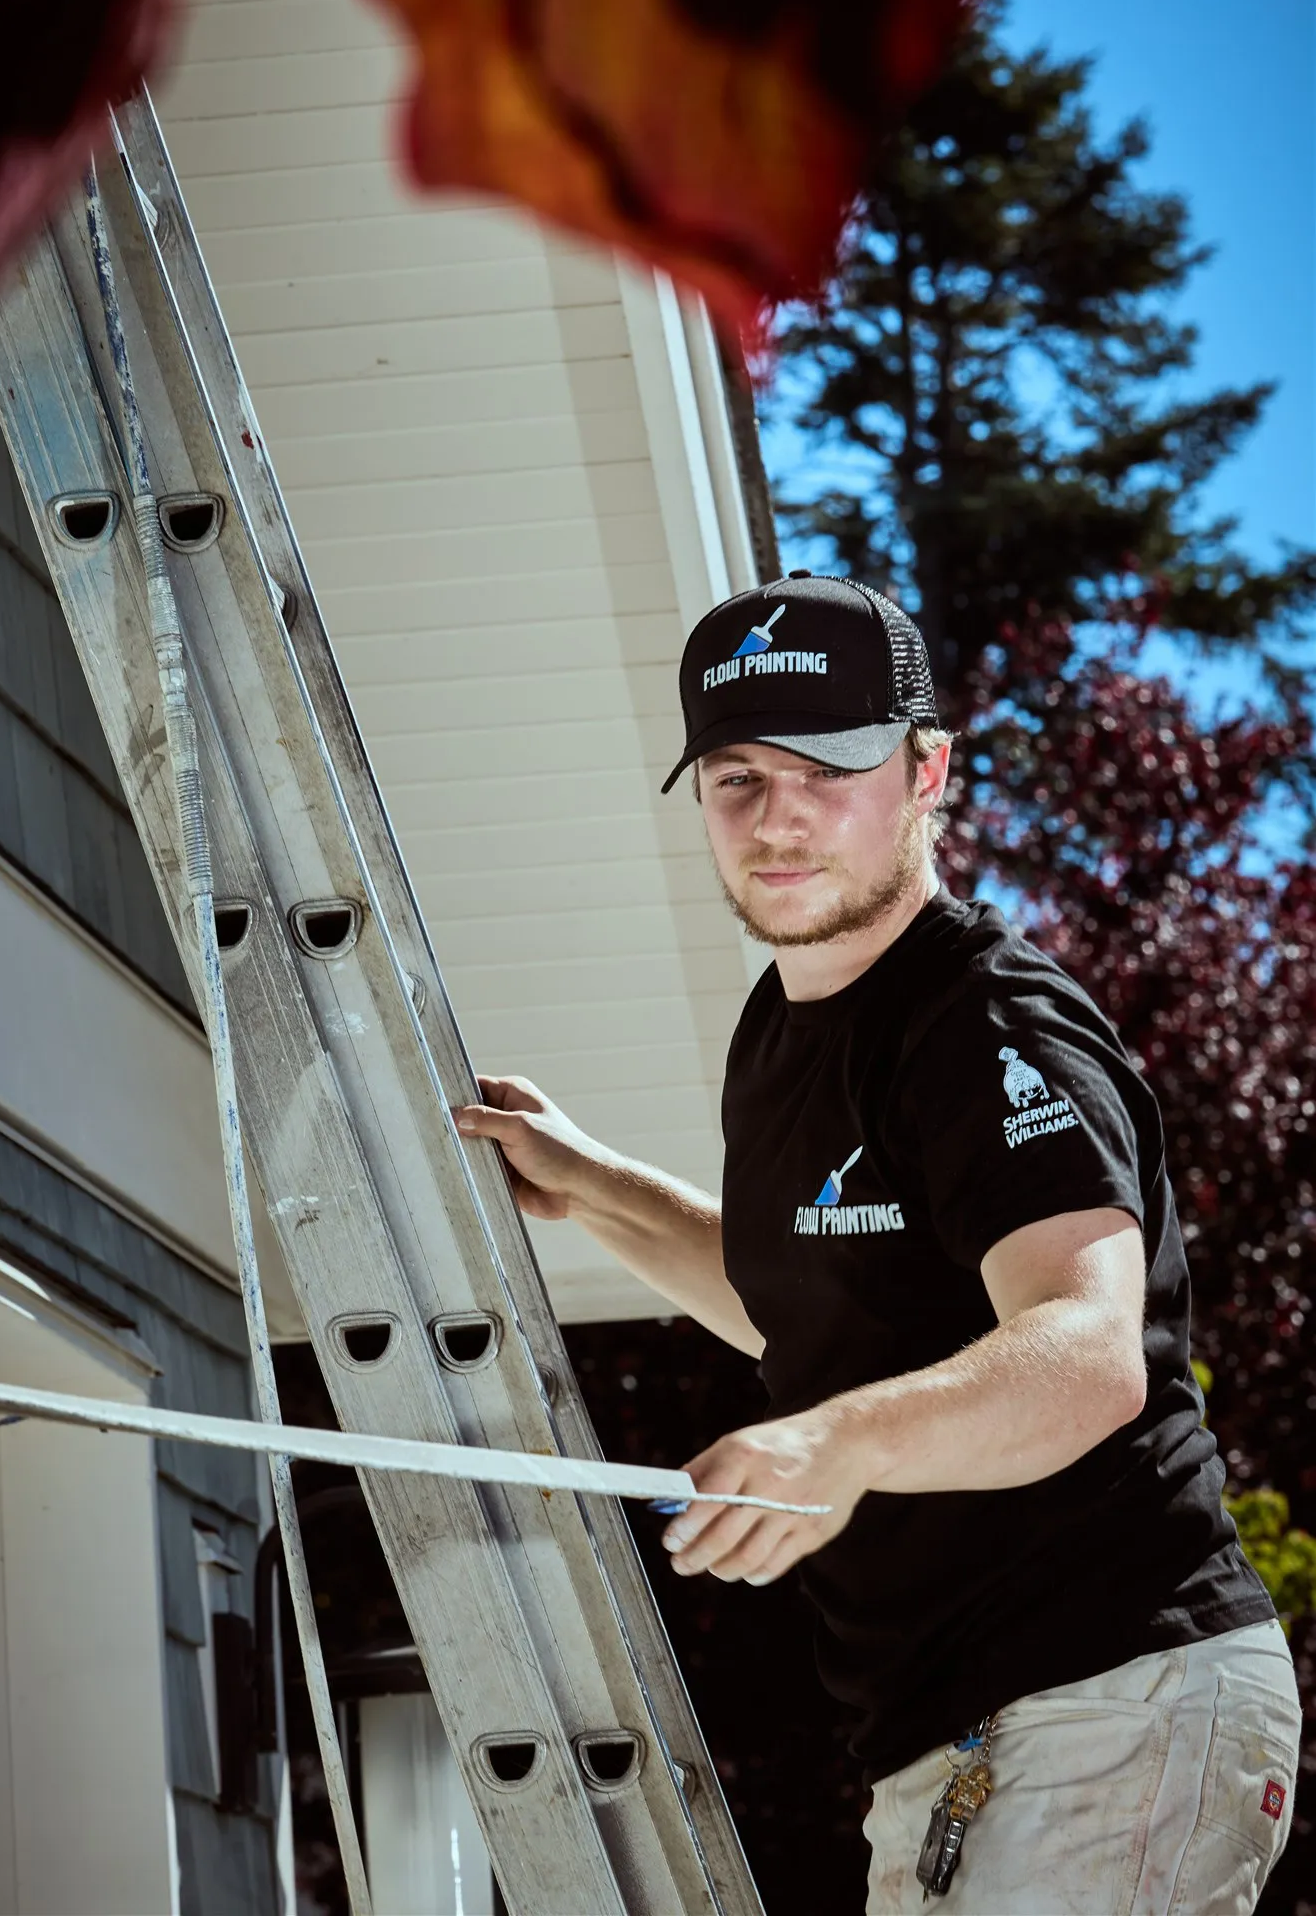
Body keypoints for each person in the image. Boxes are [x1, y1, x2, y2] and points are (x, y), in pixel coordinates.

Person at [455, 573, 1302, 1913]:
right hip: (945, 1736)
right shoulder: (775, 1039)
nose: (778, 818)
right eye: (737, 777)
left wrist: (834, 1443)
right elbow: (805, 1308)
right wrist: (597, 1186)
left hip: (1106, 1693)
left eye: (828, 769)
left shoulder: (985, 1020)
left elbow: (1088, 1352)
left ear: (927, 776)